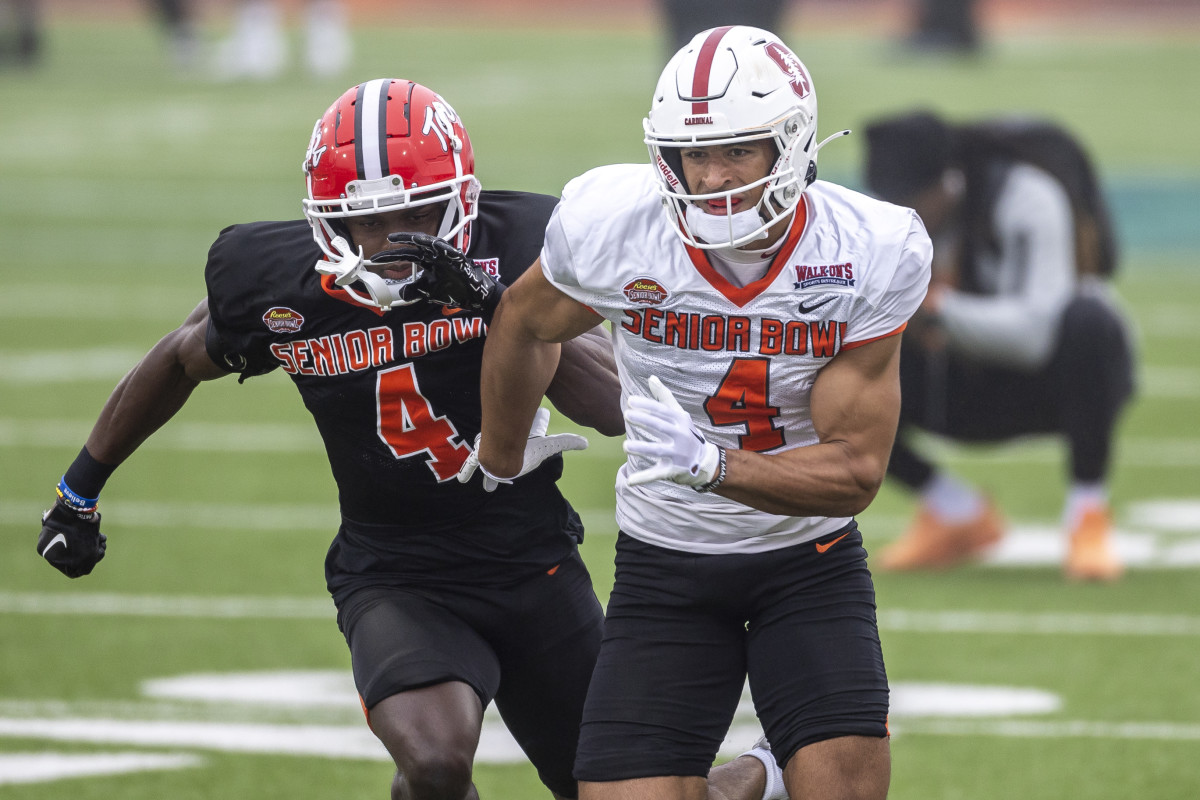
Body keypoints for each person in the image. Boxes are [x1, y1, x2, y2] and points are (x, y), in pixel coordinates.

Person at [36, 77, 789, 800]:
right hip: (394, 572)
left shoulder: (525, 243)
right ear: (324, 219)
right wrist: (79, 489)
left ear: (460, 203)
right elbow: (180, 356)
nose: (390, 242)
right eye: (363, 222)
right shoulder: (283, 283)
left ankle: (765, 770)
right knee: (433, 763)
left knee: (628, 793)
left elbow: (615, 407)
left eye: (416, 218)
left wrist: (502, 308)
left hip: (533, 567)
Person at [467, 26, 930, 800]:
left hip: (805, 561)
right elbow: (522, 321)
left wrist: (714, 465)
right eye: (692, 155)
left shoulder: (868, 249)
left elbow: (855, 473)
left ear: (792, 144)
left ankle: (774, 768)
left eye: (738, 152)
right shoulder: (616, 224)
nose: (711, 177)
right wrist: (500, 458)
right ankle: (756, 776)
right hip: (666, 561)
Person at [862, 110, 1135, 581]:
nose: (901, 210)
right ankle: (955, 512)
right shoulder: (887, 222)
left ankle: (1087, 514)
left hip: (1050, 380)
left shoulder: (1027, 197)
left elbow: (1035, 334)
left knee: (1091, 323)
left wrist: (937, 310)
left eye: (910, 198)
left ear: (947, 182)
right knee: (829, 357)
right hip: (958, 383)